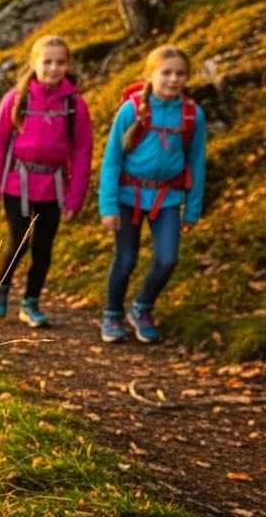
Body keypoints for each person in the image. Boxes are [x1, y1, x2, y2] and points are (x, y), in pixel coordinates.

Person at [97, 46, 207, 344]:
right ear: (150, 75)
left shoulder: (192, 115)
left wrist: (192, 209)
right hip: (126, 197)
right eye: (166, 72)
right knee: (126, 259)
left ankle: (141, 307)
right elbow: (112, 159)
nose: (173, 79)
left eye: (180, 74)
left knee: (167, 259)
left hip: (168, 198)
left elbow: (196, 162)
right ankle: (112, 314)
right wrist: (107, 206)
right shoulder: (132, 110)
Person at [0, 35, 93, 327]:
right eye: (47, 62)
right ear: (34, 63)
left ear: (67, 65)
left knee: (44, 247)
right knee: (20, 240)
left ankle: (31, 302)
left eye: (60, 62)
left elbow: (82, 152)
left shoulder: (75, 105)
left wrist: (75, 198)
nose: (53, 68)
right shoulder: (16, 99)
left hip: (54, 187)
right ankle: (1, 287)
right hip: (17, 183)